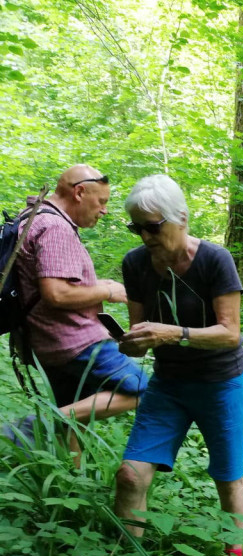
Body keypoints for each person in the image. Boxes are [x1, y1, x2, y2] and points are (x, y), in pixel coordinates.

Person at [112, 174, 243, 556]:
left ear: (181, 218)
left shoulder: (214, 260)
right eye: (136, 227)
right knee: (129, 475)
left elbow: (230, 333)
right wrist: (133, 341)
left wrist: (174, 333)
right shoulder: (135, 264)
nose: (145, 235)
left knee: (228, 479)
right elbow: (140, 328)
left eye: (153, 226)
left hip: (220, 383)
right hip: (168, 385)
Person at [10, 165, 148, 429]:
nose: (104, 210)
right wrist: (109, 291)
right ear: (80, 192)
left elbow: (46, 283)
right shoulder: (55, 227)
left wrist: (95, 284)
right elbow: (57, 294)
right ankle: (30, 429)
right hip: (75, 341)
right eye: (102, 201)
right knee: (140, 389)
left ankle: (73, 471)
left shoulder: (32, 216)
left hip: (44, 340)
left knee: (75, 418)